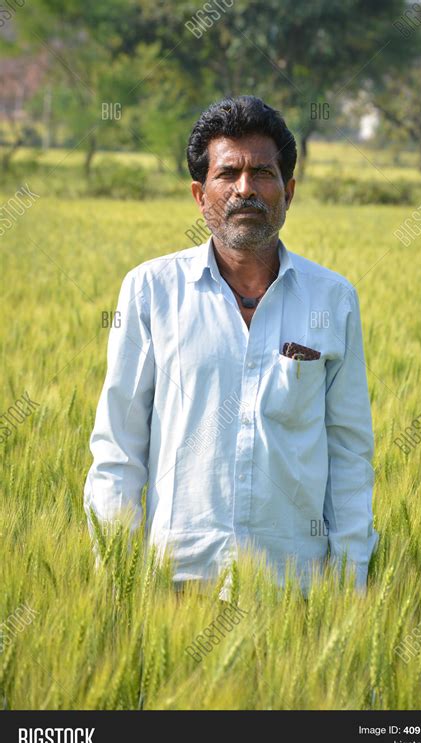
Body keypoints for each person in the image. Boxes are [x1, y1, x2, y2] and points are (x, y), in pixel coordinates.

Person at [84, 95, 379, 596]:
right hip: (176, 582)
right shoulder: (151, 291)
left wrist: (348, 582)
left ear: (288, 190)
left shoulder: (333, 298)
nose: (246, 189)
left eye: (263, 173)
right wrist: (115, 580)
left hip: (292, 587)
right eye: (228, 174)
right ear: (200, 195)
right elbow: (119, 446)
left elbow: (348, 450)